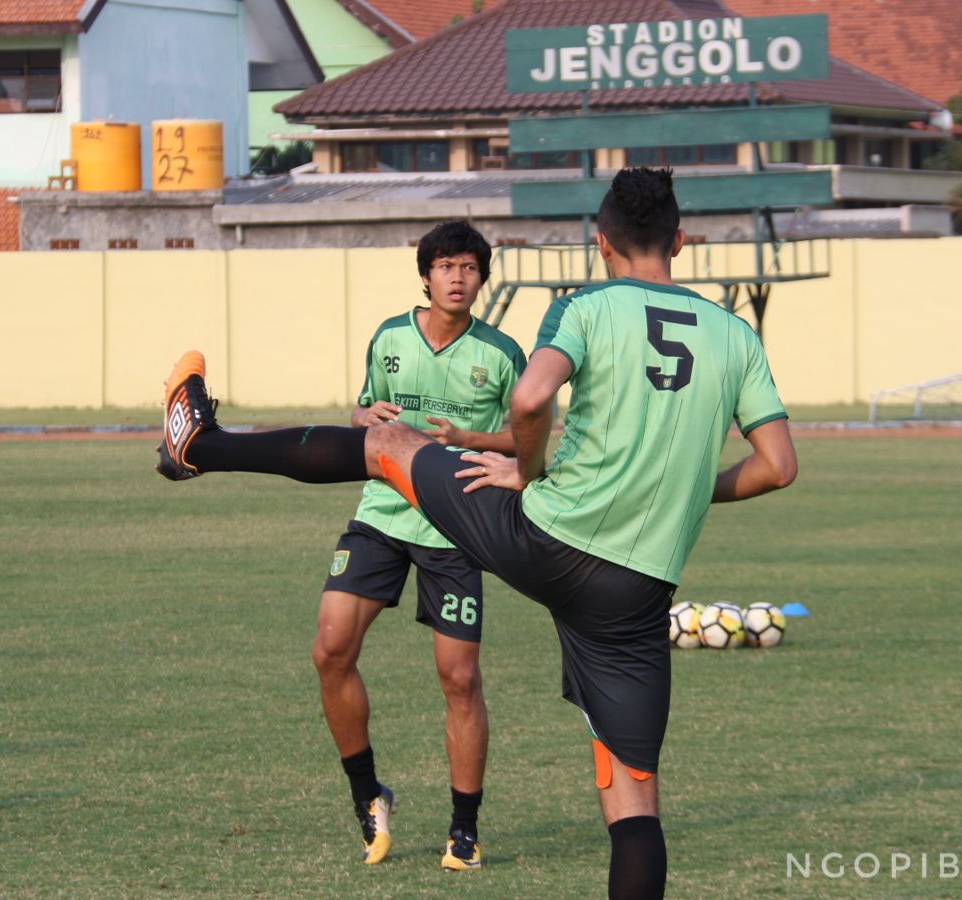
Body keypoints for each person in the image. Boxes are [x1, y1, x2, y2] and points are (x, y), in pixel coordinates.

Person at [156, 167, 797, 898]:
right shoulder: (736, 335)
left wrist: (526, 471)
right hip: (636, 588)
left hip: (545, 538)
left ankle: (197, 444)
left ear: (601, 244)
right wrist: (688, 490)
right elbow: (778, 466)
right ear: (680, 241)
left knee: (389, 445)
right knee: (633, 798)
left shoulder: (586, 307)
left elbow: (530, 396)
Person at [165, 221, 525, 871]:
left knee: (460, 678)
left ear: (481, 279)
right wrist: (366, 418)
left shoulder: (502, 353)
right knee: (330, 648)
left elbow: (528, 444)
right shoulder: (390, 337)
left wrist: (474, 435)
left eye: (470, 267)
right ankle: (369, 798)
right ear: (425, 275)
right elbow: (362, 414)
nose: (456, 276)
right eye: (445, 265)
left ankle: (464, 831)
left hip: (455, 524)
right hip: (383, 514)